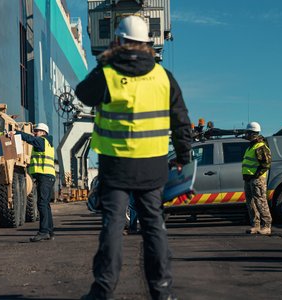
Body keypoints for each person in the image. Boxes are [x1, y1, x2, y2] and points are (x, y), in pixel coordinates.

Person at [75, 15, 192, 300]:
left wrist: (105, 61)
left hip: (116, 167)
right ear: (148, 44)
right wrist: (183, 156)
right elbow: (181, 120)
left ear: (118, 41)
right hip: (152, 166)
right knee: (154, 227)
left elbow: (82, 94)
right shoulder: (164, 77)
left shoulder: (108, 73)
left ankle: (103, 289)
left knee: (113, 225)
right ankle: (162, 291)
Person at [8, 123, 56, 242]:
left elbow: (30, 139)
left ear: (43, 132)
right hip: (46, 177)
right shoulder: (46, 142)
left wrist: (16, 133)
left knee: (42, 204)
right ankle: (49, 231)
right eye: (35, 131)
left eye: (37, 131)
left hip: (45, 176)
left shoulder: (42, 141)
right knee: (45, 204)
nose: (35, 133)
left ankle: (44, 231)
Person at [242, 122, 272, 235]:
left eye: (247, 132)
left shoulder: (260, 146)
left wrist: (256, 175)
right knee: (251, 202)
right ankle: (256, 225)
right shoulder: (251, 146)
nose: (246, 134)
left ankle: (266, 226)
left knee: (260, 201)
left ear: (252, 133)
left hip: (257, 179)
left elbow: (266, 163)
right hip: (249, 179)